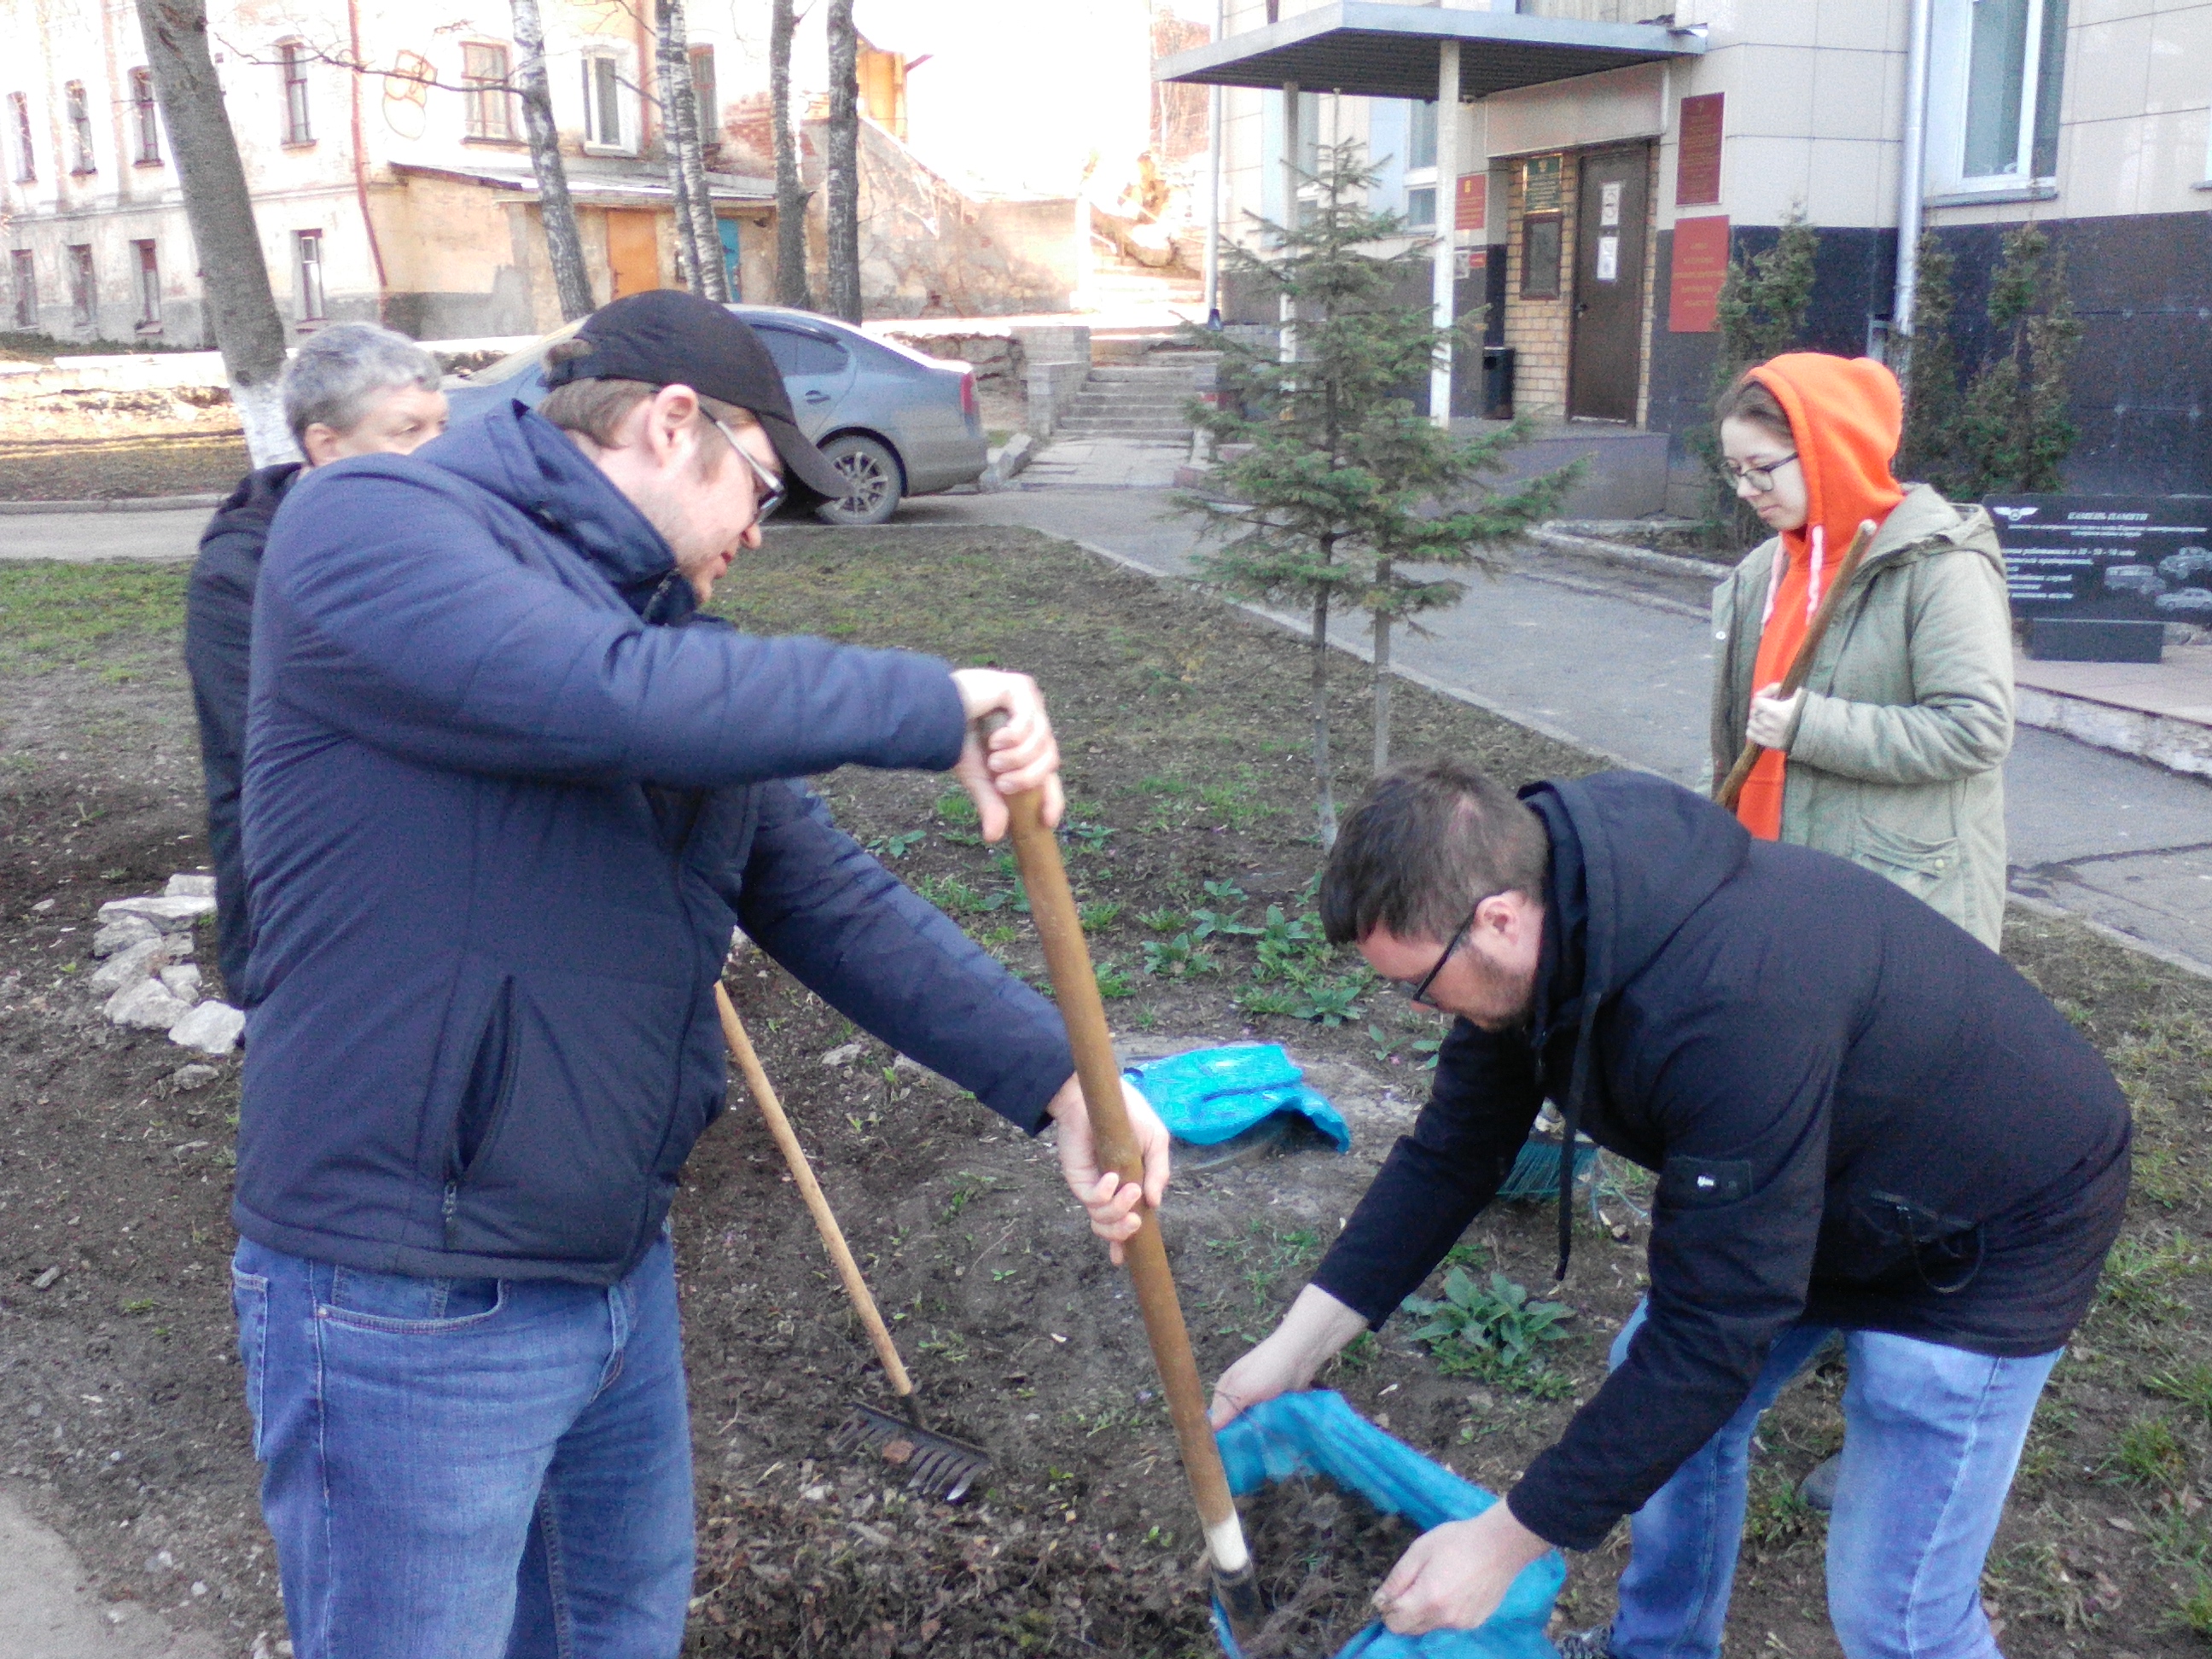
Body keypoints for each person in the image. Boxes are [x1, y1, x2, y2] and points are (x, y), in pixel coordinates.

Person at [228, 290, 1171, 1658]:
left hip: (607, 1268)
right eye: (762, 489)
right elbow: (591, 691)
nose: (760, 532)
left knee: (615, 1636)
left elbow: (821, 892)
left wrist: (1062, 1082)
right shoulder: (369, 526)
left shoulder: (662, 645)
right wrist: (928, 704)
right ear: (675, 424)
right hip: (403, 1288)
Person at [1208, 761, 2129, 1659]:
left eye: (1419, 983)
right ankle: (1662, 1646)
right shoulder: (1554, 926)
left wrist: (1505, 1542)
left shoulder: (1727, 1007)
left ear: (1498, 918)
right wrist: (1293, 1349)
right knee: (1662, 1400)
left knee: (1896, 1613)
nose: (1420, 1008)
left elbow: (1714, 1331)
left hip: (1993, 1218)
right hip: (1820, 1169)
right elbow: (1453, 1152)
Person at [1711, 352, 2013, 947]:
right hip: (1763, 883)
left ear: (1830, 450)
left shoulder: (1940, 567)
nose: (1746, 490)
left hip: (1890, 900)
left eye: (1762, 468)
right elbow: (1732, 737)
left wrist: (1809, 726)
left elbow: (1975, 730)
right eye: (1735, 470)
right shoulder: (1761, 574)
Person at [184, 322, 450, 995]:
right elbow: (273, 747)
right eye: (408, 432)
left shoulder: (450, 536)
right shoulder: (242, 572)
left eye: (442, 427)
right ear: (326, 445)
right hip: (305, 899)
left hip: (432, 890)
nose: (438, 451)